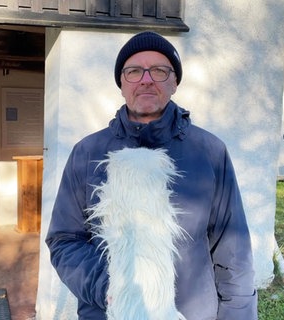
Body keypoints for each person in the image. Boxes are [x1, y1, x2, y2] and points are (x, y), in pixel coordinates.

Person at [45, 31, 258, 319]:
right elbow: (65, 239)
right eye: (134, 71)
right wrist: (113, 289)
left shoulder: (209, 151)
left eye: (159, 70)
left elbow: (233, 249)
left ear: (174, 82)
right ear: (121, 83)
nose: (146, 79)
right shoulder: (87, 153)